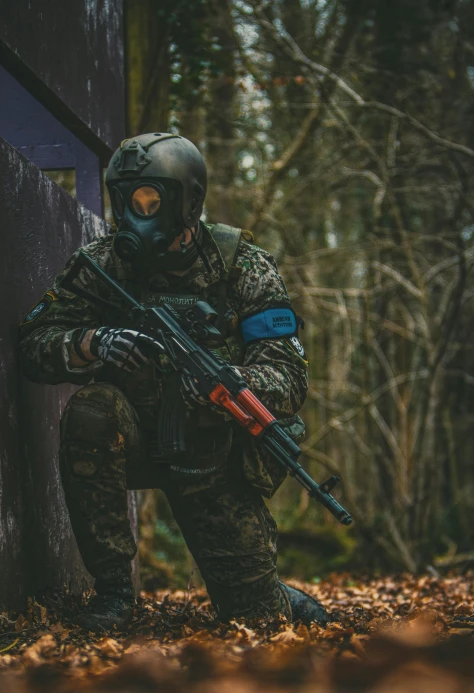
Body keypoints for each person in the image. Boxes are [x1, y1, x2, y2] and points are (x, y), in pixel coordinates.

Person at [19, 132, 330, 631]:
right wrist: (90, 342)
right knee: (93, 410)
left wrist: (231, 381)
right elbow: (32, 343)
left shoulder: (241, 267)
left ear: (187, 202)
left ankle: (280, 596)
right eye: (123, 199)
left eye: (148, 199)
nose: (132, 212)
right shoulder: (102, 266)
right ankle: (115, 592)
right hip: (132, 436)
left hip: (214, 455)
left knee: (255, 617)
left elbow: (289, 378)